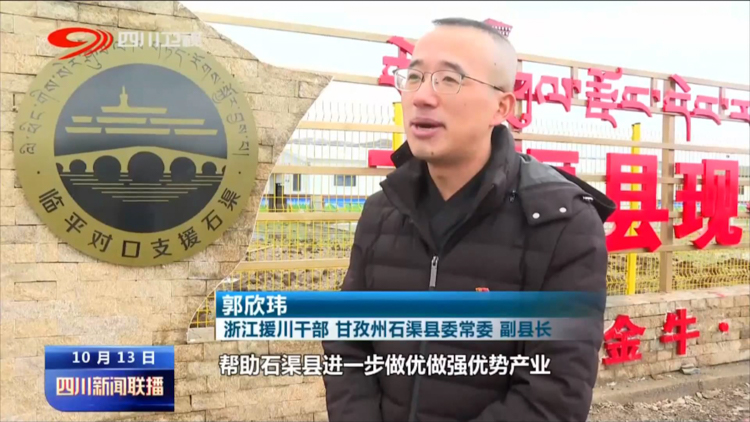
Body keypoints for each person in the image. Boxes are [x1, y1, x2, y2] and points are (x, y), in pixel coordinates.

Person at [322, 17, 615, 422]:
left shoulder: (561, 224)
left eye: (449, 80)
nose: (422, 96)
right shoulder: (382, 211)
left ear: (501, 107)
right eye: (414, 77)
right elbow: (347, 345)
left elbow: (554, 394)